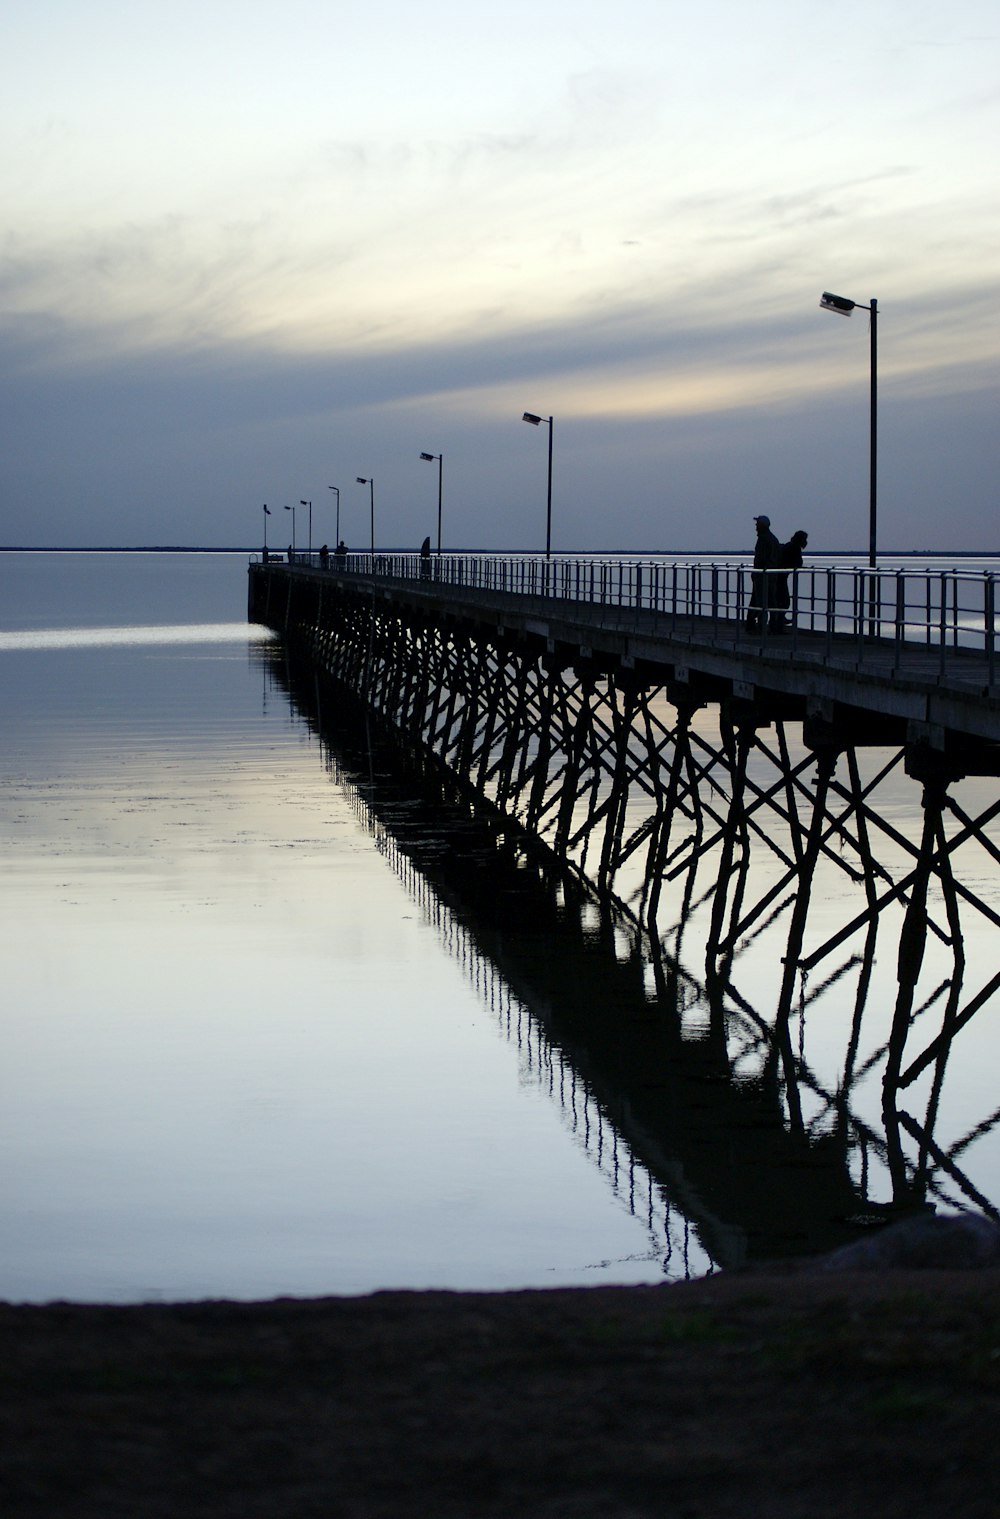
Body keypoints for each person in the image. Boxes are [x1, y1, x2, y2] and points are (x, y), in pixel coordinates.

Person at [747, 514, 781, 630]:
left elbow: (760, 558)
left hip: (762, 575)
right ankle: (773, 625)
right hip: (772, 575)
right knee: (771, 601)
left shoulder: (763, 539)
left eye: (757, 524)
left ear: (762, 526)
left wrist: (756, 572)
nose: (756, 526)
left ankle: (759, 626)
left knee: (760, 601)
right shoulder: (773, 539)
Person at [771, 530, 809, 631]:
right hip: (780, 576)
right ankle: (778, 624)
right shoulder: (794, 548)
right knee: (784, 601)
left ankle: (778, 622)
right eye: (805, 539)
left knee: (780, 600)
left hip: (778, 576)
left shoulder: (789, 545)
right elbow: (798, 562)